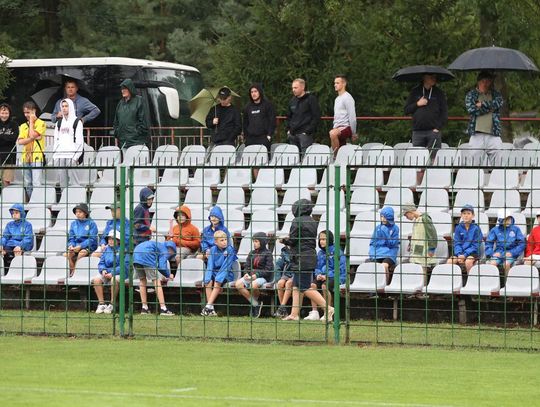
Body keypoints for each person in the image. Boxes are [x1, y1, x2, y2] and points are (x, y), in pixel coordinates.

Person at [281, 199, 334, 322]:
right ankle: (294, 314)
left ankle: (328, 308)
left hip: (301, 258)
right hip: (310, 256)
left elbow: (293, 240)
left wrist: (283, 240)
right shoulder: (313, 221)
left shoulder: (296, 221)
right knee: (296, 286)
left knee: (304, 287)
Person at [404, 73, 448, 160]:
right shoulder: (415, 91)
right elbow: (406, 110)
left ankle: (432, 169)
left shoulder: (439, 93)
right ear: (424, 78)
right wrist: (417, 104)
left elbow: (444, 112)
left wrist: (437, 128)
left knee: (434, 159)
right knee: (417, 159)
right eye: (431, 77)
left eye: (434, 77)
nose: (433, 79)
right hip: (417, 132)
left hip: (433, 132)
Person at [305, 230, 346, 321]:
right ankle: (314, 312)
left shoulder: (337, 252)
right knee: (312, 285)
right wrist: (318, 274)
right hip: (323, 276)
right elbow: (317, 266)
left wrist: (327, 276)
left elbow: (340, 269)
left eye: (324, 239)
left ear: (330, 239)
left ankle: (327, 312)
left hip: (337, 276)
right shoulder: (320, 253)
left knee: (325, 286)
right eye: (320, 239)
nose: (321, 241)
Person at [465, 71, 503, 165]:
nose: (486, 84)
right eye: (483, 81)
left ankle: (497, 175)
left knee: (499, 162)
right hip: (477, 134)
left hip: (493, 133)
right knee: (474, 163)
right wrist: (489, 109)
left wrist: (482, 104)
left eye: (488, 81)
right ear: (479, 82)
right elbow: (472, 110)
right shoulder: (471, 95)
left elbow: (499, 103)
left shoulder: (495, 94)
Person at [234, 232, 273, 318]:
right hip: (250, 276)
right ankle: (255, 303)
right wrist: (246, 274)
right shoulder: (251, 253)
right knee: (238, 284)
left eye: (256, 241)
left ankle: (256, 304)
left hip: (262, 277)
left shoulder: (268, 254)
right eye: (253, 241)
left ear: (262, 242)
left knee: (253, 285)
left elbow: (268, 270)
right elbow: (247, 266)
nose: (254, 243)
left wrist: (256, 275)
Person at [132, 240, 175, 315]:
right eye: (172, 251)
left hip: (136, 255)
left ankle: (144, 308)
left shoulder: (158, 245)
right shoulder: (164, 250)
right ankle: (163, 309)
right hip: (147, 255)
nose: (171, 254)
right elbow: (162, 266)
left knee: (142, 280)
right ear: (170, 249)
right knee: (156, 281)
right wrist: (168, 275)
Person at [201, 230, 238, 316]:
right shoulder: (213, 249)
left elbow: (226, 266)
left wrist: (219, 278)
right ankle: (211, 309)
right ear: (216, 242)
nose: (224, 242)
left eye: (225, 239)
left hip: (226, 274)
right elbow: (210, 265)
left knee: (217, 282)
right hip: (215, 272)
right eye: (222, 240)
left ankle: (208, 306)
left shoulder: (230, 250)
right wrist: (207, 277)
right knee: (208, 282)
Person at [93, 230, 130, 314]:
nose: (110, 241)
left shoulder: (124, 250)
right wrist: (103, 270)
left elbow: (124, 265)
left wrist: (112, 273)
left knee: (114, 279)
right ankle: (101, 304)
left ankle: (112, 304)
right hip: (107, 273)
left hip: (121, 273)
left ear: (118, 240)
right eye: (109, 239)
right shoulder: (106, 249)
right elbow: (101, 263)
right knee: (96, 279)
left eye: (113, 239)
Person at [52, 98, 84, 188]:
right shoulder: (58, 123)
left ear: (71, 107)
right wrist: (55, 155)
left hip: (71, 155)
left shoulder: (77, 122)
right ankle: (64, 196)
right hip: (60, 155)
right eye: (62, 106)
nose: (64, 108)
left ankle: (75, 196)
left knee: (74, 182)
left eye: (66, 106)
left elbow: (79, 141)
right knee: (62, 182)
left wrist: (76, 157)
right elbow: (56, 140)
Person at [402, 204, 438, 281]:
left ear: (410, 212)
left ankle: (423, 287)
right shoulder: (416, 220)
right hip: (417, 248)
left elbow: (432, 234)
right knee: (416, 269)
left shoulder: (425, 219)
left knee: (422, 270)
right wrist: (410, 244)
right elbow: (416, 234)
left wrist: (432, 248)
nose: (406, 217)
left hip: (425, 250)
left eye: (406, 215)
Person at [17, 101, 46, 198]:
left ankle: (37, 202)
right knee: (27, 182)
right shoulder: (23, 126)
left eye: (28, 112)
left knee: (36, 182)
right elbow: (20, 141)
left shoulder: (41, 123)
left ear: (34, 111)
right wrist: (31, 138)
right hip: (25, 157)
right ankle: (31, 201)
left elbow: (32, 134)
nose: (26, 115)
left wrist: (32, 123)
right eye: (25, 112)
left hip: (36, 156)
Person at [286, 78, 321, 156]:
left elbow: (316, 116)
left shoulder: (311, 99)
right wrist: (289, 130)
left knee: (306, 158)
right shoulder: (292, 101)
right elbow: (288, 116)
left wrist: (308, 131)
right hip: (293, 134)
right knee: (293, 158)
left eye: (295, 88)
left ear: (303, 87)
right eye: (292, 88)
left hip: (305, 135)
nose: (293, 90)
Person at [113, 79, 150, 150]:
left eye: (125, 88)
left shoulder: (139, 100)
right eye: (122, 89)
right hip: (123, 142)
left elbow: (144, 121)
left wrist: (135, 134)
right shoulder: (120, 103)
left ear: (130, 88)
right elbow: (116, 121)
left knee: (136, 157)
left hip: (137, 142)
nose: (123, 91)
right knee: (126, 157)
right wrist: (117, 133)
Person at [485, 209, 525, 275]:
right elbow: (488, 243)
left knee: (506, 264)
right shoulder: (495, 230)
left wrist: (512, 253)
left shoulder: (516, 229)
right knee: (492, 264)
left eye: (509, 218)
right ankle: (494, 280)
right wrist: (492, 253)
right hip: (499, 253)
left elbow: (522, 244)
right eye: (505, 219)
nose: (508, 221)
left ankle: (507, 280)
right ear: (501, 220)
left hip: (511, 253)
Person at [368, 206, 400, 285]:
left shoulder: (395, 228)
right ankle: (374, 286)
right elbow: (373, 243)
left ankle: (385, 285)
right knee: (373, 267)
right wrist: (373, 253)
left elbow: (392, 244)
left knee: (384, 266)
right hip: (377, 253)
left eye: (385, 217)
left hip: (390, 254)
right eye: (381, 216)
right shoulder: (378, 228)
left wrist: (386, 234)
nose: (383, 219)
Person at [447, 204, 482, 274]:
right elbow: (457, 243)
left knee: (468, 262)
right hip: (460, 253)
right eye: (464, 213)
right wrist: (459, 254)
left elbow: (475, 245)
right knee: (450, 261)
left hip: (472, 253)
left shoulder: (476, 228)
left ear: (473, 215)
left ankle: (470, 278)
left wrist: (465, 255)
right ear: (461, 215)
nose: (466, 215)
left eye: (468, 213)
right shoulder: (458, 228)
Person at [66, 203, 98, 275]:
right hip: (75, 246)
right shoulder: (73, 223)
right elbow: (71, 237)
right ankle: (72, 270)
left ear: (85, 213)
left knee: (81, 253)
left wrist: (81, 246)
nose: (77, 214)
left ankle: (74, 272)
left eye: (80, 212)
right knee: (67, 254)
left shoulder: (91, 223)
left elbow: (92, 239)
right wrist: (71, 245)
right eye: (76, 212)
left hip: (88, 246)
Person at [329, 75, 357, 156]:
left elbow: (352, 116)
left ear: (344, 84)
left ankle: (336, 157)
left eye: (337, 83)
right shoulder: (337, 99)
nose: (335, 85)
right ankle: (339, 158)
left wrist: (353, 133)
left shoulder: (348, 97)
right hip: (337, 128)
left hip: (346, 127)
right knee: (334, 135)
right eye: (334, 83)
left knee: (332, 133)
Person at [242, 83, 276, 150]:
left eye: (255, 91)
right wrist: (246, 137)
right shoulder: (247, 107)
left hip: (264, 138)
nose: (253, 94)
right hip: (250, 139)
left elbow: (272, 121)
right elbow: (245, 123)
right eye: (251, 92)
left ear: (260, 92)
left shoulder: (268, 105)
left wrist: (269, 135)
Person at [0, 204, 33, 270]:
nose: (14, 215)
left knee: (17, 251)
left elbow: (28, 239)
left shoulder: (27, 225)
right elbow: (5, 237)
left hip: (23, 245)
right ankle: (4, 270)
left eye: (16, 213)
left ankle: (17, 270)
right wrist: (1, 244)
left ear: (22, 213)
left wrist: (20, 246)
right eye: (13, 213)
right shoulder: (9, 224)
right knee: (2, 250)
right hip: (11, 244)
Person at [0, 103, 19, 186]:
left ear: (9, 113)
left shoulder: (14, 125)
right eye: (2, 113)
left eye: (6, 113)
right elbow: (10, 138)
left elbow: (13, 138)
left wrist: (2, 137)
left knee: (6, 180)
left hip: (10, 156)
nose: (4, 115)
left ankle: (6, 194)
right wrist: (7, 138)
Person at [273, 244, 293, 318]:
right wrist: (279, 278)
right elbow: (278, 265)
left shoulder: (299, 249)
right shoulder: (284, 251)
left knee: (288, 283)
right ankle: (283, 311)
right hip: (287, 274)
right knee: (280, 283)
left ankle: (281, 308)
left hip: (296, 273)